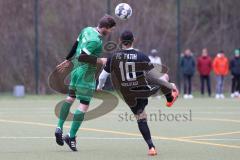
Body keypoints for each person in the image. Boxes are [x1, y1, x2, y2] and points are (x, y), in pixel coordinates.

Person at [97, 30, 179, 156]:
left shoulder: (114, 57)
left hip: (128, 94)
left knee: (141, 118)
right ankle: (169, 97)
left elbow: (103, 76)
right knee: (165, 77)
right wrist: (170, 85)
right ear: (133, 40)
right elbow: (156, 77)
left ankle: (151, 147)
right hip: (142, 90)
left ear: (120, 41)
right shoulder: (141, 56)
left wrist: (100, 86)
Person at [54, 15, 116, 151]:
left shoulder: (86, 30)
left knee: (70, 98)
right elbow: (83, 56)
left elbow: (75, 45)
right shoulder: (96, 41)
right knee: (84, 105)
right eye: (110, 29)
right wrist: (102, 60)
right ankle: (71, 136)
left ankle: (59, 127)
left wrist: (67, 59)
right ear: (105, 28)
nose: (110, 32)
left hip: (75, 71)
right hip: (86, 75)